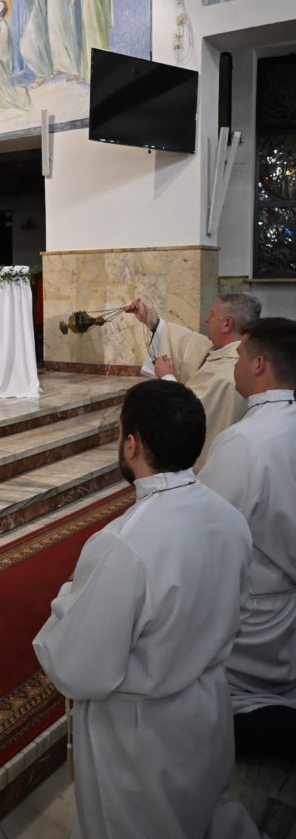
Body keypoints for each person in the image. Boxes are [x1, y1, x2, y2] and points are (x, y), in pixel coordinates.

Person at [33, 379, 258, 839]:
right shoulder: (228, 517)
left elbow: (79, 669)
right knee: (197, 815)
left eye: (120, 433)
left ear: (132, 444)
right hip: (207, 709)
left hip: (138, 739)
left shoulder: (122, 543)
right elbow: (238, 608)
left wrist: (69, 595)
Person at [200, 316, 296, 757]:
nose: (235, 365)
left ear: (259, 365)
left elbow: (205, 538)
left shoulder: (245, 441)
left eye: (238, 356)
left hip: (260, 625)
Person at [125, 292, 262, 468]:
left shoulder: (226, 374)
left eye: (212, 314)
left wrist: (166, 377)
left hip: (211, 470)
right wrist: (152, 322)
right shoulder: (240, 353)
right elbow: (190, 343)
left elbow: (187, 416)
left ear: (227, 324)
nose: (207, 319)